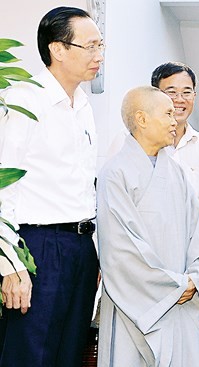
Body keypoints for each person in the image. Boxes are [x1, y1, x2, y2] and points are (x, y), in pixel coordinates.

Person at [0, 7, 103, 366]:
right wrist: (10, 264)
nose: (98, 55)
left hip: (80, 247)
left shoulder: (84, 106)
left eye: (100, 46)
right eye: (90, 46)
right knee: (30, 354)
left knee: (69, 354)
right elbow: (3, 186)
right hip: (39, 248)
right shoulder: (24, 100)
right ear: (58, 49)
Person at [96, 86, 199, 366]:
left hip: (182, 300)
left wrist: (194, 278)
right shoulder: (115, 174)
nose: (175, 121)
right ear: (141, 119)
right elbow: (121, 251)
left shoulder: (176, 172)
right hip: (135, 303)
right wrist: (173, 286)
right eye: (167, 113)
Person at [151, 62, 199, 231]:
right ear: (154, 95)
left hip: (192, 248)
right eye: (171, 92)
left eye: (186, 92)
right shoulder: (134, 140)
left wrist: (198, 243)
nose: (179, 99)